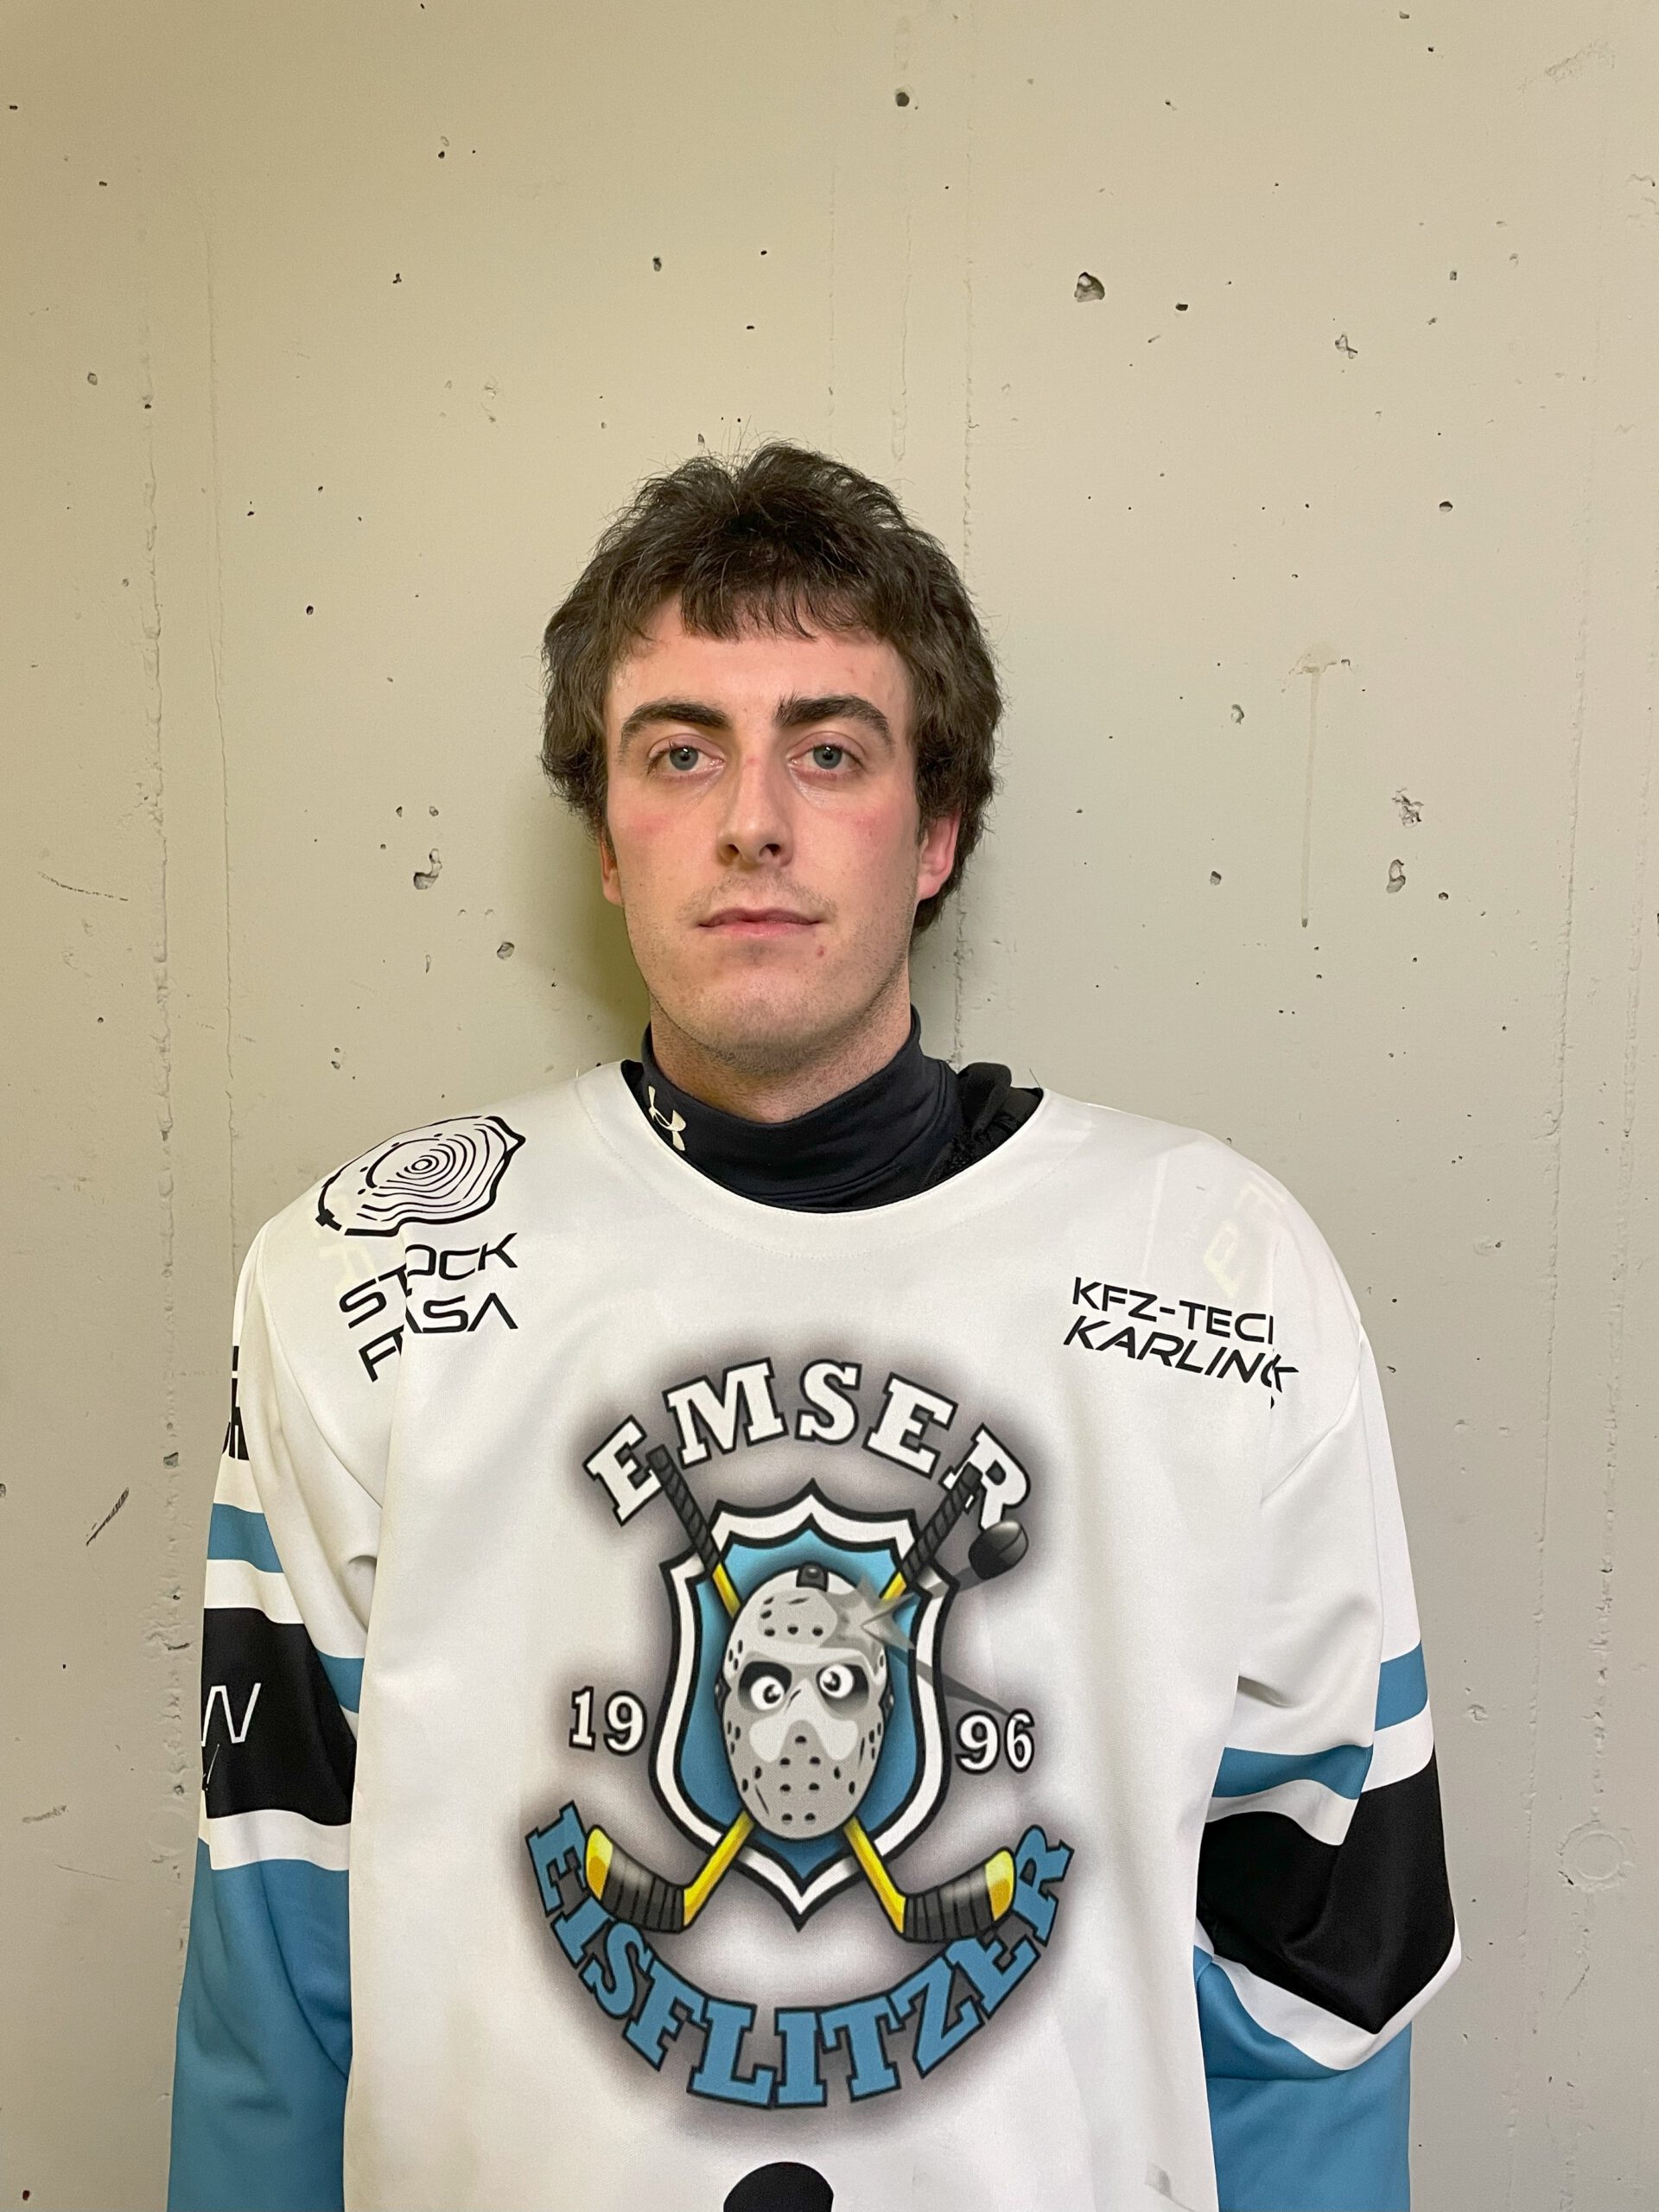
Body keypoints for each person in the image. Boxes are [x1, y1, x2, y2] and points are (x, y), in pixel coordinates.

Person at [168, 442, 1458, 2212]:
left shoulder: (1225, 1275)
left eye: (830, 750)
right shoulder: (359, 1285)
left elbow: (1320, 1983)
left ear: (937, 832)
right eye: (679, 750)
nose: (752, 820)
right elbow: (274, 1963)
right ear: (607, 838)